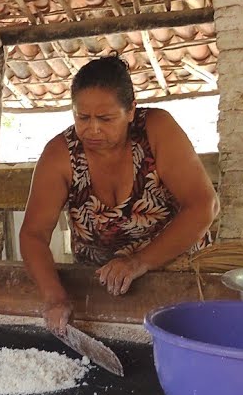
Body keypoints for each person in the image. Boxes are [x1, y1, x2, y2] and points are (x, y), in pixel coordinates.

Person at [19, 56, 218, 335]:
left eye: (106, 118)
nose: (93, 128)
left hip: (180, 280)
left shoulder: (156, 130)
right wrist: (55, 297)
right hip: (104, 291)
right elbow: (33, 235)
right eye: (82, 117)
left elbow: (203, 206)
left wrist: (138, 262)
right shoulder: (60, 155)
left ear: (131, 111)